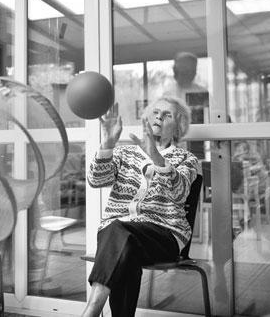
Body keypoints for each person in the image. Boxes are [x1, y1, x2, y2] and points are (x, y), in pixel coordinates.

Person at [82, 96, 200, 317]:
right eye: (155, 112)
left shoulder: (187, 158)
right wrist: (107, 144)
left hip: (163, 235)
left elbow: (180, 192)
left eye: (167, 115)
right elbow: (97, 180)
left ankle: (92, 309)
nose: (159, 117)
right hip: (121, 235)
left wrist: (155, 156)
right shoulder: (124, 153)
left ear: (178, 126)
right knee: (126, 246)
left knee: (118, 231)